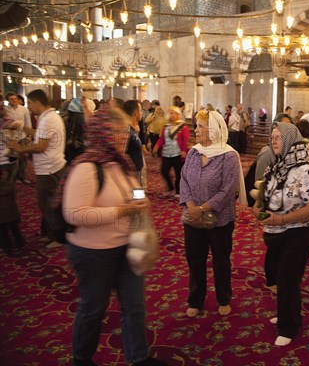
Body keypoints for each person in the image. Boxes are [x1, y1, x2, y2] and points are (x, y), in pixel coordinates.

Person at [60, 108, 167, 366]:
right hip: (93, 251)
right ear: (102, 134)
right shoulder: (87, 167)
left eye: (126, 131)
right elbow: (75, 214)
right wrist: (124, 210)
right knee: (93, 308)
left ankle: (139, 357)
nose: (123, 137)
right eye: (117, 132)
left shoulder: (122, 164)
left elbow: (135, 192)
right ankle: (81, 358)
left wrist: (140, 203)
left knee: (134, 306)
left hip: (125, 246)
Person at [252, 122, 309, 347]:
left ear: (291, 140)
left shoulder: (306, 169)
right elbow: (262, 198)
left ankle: (289, 326)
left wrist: (282, 219)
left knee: (287, 278)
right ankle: (286, 315)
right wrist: (258, 208)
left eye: (278, 138)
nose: (273, 141)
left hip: (301, 232)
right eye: (272, 137)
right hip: (276, 231)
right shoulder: (275, 166)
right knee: (279, 276)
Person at [180, 110, 246, 318]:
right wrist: (191, 207)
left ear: (214, 130)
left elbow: (228, 190)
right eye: (196, 125)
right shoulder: (193, 152)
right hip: (192, 218)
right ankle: (195, 299)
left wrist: (203, 209)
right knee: (195, 260)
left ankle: (223, 298)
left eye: (200, 126)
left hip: (219, 219)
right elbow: (183, 180)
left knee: (220, 261)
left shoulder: (228, 156)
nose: (196, 130)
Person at [7, 89, 67, 249]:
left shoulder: (49, 119)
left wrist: (18, 148)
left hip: (50, 168)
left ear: (37, 102)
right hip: (49, 167)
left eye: (30, 103)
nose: (29, 107)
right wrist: (23, 128)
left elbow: (41, 146)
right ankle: (51, 233)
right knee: (46, 203)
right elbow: (40, 135)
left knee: (50, 204)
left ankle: (59, 237)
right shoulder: (48, 117)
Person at [152, 106, 190, 199]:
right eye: (170, 113)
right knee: (164, 171)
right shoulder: (166, 126)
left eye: (174, 113)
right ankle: (170, 188)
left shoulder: (182, 126)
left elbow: (186, 140)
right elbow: (162, 139)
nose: (172, 115)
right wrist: (156, 147)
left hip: (178, 153)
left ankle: (178, 191)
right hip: (166, 153)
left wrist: (184, 151)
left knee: (178, 173)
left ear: (178, 115)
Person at [5, 91, 32, 183]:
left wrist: (29, 136)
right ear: (8, 100)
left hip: (23, 136)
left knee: (23, 158)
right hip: (11, 137)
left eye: (15, 99)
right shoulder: (5, 109)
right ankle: (14, 177)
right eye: (11, 99)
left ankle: (22, 176)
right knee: (13, 159)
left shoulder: (24, 109)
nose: (14, 101)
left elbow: (28, 122)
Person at [123, 100, 146, 188]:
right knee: (136, 198)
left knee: (138, 198)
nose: (141, 113)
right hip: (130, 174)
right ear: (135, 113)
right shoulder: (126, 130)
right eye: (140, 111)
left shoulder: (133, 129)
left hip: (136, 171)